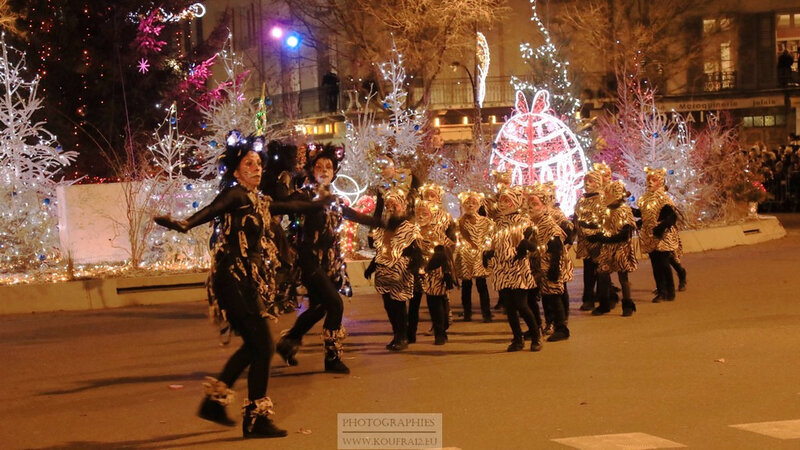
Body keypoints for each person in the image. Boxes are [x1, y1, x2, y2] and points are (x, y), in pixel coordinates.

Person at [154, 132, 324, 439]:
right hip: (231, 278)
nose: (257, 168)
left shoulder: (260, 201)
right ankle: (252, 417)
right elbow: (211, 210)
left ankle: (216, 404)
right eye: (249, 164)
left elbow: (290, 206)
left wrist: (319, 203)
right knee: (263, 345)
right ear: (236, 171)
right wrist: (184, 224)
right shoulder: (235, 195)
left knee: (257, 346)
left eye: (259, 163)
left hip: (248, 281)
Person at [275, 144, 384, 374]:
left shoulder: (334, 198)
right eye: (319, 166)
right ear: (311, 170)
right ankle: (332, 358)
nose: (324, 170)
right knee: (335, 304)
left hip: (329, 263)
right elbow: (283, 203)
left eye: (329, 167)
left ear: (334, 172)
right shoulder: (303, 194)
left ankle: (289, 341)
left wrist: (383, 223)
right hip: (309, 260)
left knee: (319, 308)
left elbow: (352, 215)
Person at [483, 187, 542, 352]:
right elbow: (495, 243)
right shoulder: (498, 223)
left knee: (522, 305)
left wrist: (526, 245)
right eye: (501, 200)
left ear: (515, 202)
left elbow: (534, 245)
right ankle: (517, 339)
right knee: (509, 307)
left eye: (507, 201)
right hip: (501, 268)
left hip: (517, 268)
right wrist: (489, 253)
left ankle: (536, 336)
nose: (503, 204)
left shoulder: (524, 221)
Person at [365, 187, 422, 351]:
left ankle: (402, 336)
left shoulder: (410, 228)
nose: (391, 208)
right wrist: (371, 267)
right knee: (389, 306)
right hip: (384, 273)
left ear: (402, 206)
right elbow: (377, 249)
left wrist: (413, 268)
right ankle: (397, 334)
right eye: (388, 205)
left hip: (401, 272)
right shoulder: (383, 228)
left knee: (399, 306)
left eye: (394, 205)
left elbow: (417, 252)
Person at [526, 184, 572, 342]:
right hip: (537, 266)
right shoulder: (533, 224)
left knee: (553, 296)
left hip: (549, 264)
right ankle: (538, 326)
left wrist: (554, 267)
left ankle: (561, 328)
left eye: (535, 204)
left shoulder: (548, 224)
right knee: (539, 296)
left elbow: (557, 246)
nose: (531, 208)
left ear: (544, 206)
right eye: (529, 205)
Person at [588, 180, 638, 316]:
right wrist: (596, 235)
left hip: (620, 248)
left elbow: (625, 233)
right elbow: (602, 226)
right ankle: (605, 303)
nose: (605, 196)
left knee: (623, 277)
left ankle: (627, 304)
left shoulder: (624, 211)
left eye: (608, 194)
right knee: (602, 274)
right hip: (607, 248)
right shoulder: (606, 210)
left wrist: (605, 238)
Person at [637, 167, 681, 302]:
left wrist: (661, 227)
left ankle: (669, 290)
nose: (650, 182)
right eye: (648, 180)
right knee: (656, 265)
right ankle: (661, 290)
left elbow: (671, 217)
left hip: (662, 237)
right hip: (650, 236)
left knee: (663, 263)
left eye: (654, 180)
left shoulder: (664, 200)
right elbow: (643, 214)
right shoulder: (644, 199)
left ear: (660, 182)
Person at [454, 191, 495, 322]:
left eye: (473, 203)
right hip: (465, 257)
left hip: (479, 257)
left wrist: (484, 249)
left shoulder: (486, 222)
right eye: (467, 203)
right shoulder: (459, 222)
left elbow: (490, 237)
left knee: (481, 285)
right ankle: (467, 312)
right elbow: (458, 238)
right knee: (466, 286)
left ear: (478, 205)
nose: (470, 205)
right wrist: (465, 246)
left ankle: (486, 313)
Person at [574, 170, 607, 312]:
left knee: (601, 271)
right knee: (588, 272)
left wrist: (595, 231)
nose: (587, 183)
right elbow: (576, 217)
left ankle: (603, 298)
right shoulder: (581, 201)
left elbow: (605, 220)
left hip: (599, 241)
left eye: (591, 181)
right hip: (585, 241)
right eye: (586, 180)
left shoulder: (602, 200)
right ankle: (588, 298)